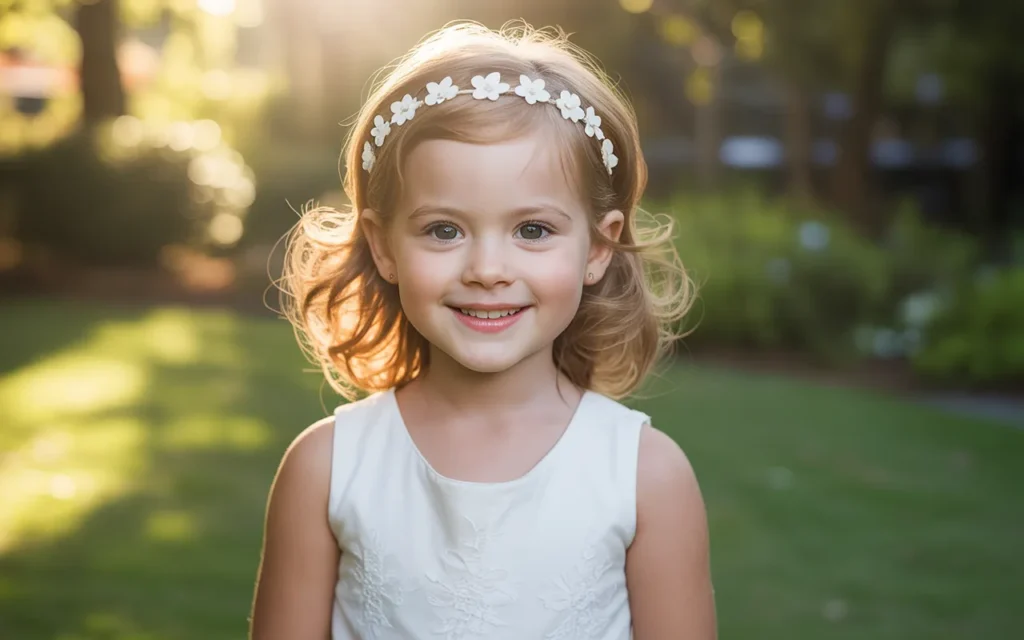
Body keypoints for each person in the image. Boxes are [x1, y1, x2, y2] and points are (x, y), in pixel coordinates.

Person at [250, 21, 715, 640]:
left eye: (533, 230)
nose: (488, 271)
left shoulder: (646, 476)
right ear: (384, 247)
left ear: (599, 248)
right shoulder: (327, 468)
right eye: (444, 229)